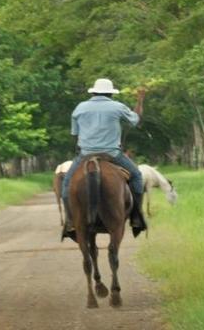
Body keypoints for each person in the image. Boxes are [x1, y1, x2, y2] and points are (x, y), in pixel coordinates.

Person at [61, 78, 147, 239]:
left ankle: (70, 221)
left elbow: (75, 133)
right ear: (110, 94)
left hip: (85, 154)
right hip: (112, 154)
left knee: (66, 183)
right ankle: (136, 217)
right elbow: (136, 119)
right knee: (136, 176)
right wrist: (140, 100)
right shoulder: (117, 107)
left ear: (93, 92)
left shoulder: (79, 108)